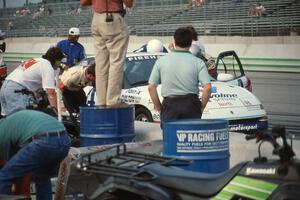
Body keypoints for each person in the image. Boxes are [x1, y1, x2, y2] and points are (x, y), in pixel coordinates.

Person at [0, 110, 71, 200]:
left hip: (43, 141)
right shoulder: (10, 122)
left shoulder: (2, 132)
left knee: (3, 178)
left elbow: (9, 166)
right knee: (42, 177)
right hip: (64, 140)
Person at [148, 27, 212, 124]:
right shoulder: (198, 62)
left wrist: (159, 108)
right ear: (190, 43)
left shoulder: (161, 61)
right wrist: (201, 107)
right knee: (191, 136)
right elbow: (207, 87)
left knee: (170, 137)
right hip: (191, 106)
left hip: (169, 106)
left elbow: (151, 87)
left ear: (174, 41)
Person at [80, 0, 134, 108]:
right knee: (116, 62)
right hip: (112, 18)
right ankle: (113, 101)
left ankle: (102, 101)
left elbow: (83, 2)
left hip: (96, 19)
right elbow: (129, 3)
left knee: (101, 64)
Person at [0, 47, 64, 116]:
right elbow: (51, 93)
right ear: (57, 60)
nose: (60, 64)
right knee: (20, 120)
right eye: (60, 61)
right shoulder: (47, 66)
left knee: (7, 119)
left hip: (5, 87)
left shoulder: (37, 60)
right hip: (17, 91)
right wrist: (57, 111)